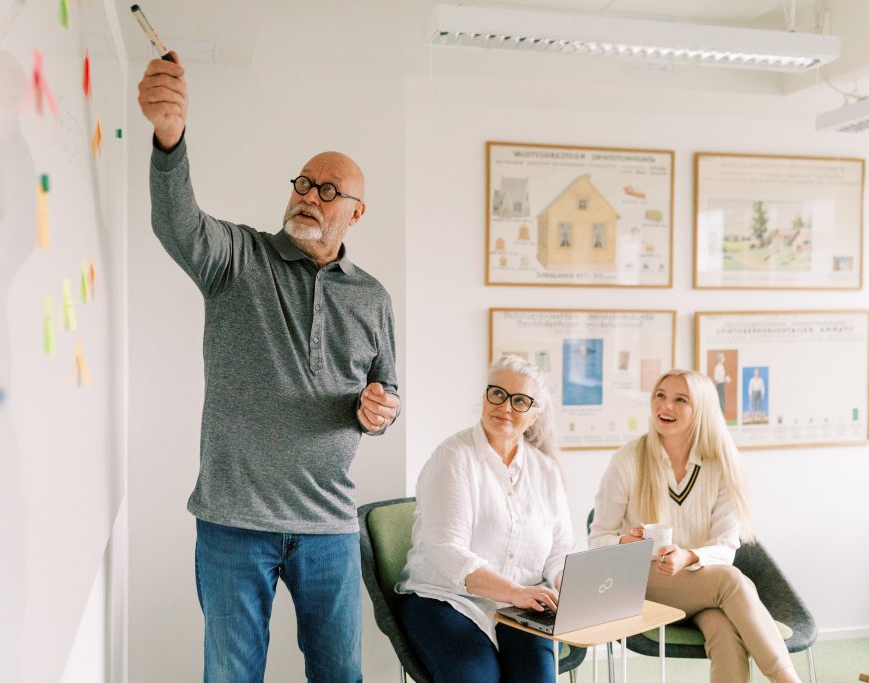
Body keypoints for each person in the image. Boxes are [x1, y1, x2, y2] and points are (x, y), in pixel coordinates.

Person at [137, 53, 401, 683]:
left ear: (356, 213)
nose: (310, 196)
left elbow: (384, 392)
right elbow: (176, 223)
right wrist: (169, 138)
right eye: (303, 184)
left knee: (340, 675)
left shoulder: (373, 298)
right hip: (233, 520)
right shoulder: (237, 259)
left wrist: (381, 410)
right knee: (230, 676)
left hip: (330, 526)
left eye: (329, 191)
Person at [589, 369, 801, 683]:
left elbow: (727, 545)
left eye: (680, 400)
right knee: (730, 581)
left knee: (725, 631)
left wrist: (687, 557)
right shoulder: (628, 459)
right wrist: (625, 542)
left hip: (700, 590)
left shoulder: (721, 465)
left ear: (700, 409)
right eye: (660, 396)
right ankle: (788, 680)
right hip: (640, 585)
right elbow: (597, 540)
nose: (665, 406)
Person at [397, 356, 574, 683]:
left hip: (521, 607)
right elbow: (445, 549)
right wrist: (515, 591)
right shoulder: (453, 457)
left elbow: (559, 551)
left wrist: (572, 589)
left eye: (520, 400)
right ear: (484, 398)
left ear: (535, 414)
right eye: (497, 394)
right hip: (446, 599)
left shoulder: (546, 471)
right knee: (476, 677)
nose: (505, 406)